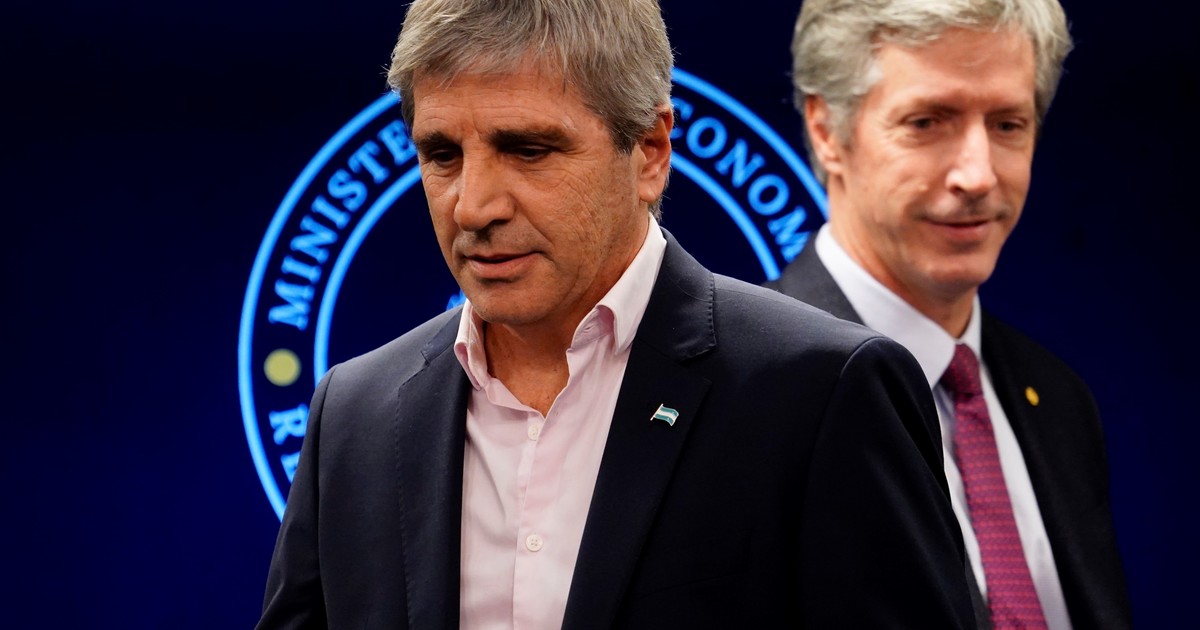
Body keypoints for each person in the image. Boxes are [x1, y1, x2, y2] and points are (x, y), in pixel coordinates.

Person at [257, 0, 976, 627]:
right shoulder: (354, 413)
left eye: (527, 150)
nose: (473, 207)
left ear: (651, 152)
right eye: (442, 155)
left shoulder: (823, 393)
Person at [767, 1, 1131, 628]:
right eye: (928, 122)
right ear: (827, 131)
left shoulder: (1060, 401)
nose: (978, 175)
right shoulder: (748, 396)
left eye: (1008, 124)